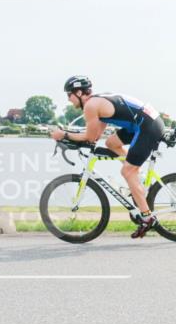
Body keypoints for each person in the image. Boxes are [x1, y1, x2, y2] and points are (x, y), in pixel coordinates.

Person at [51, 76, 166, 239]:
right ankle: (136, 177)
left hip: (147, 126)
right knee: (111, 143)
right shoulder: (97, 102)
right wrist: (71, 136)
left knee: (127, 172)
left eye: (68, 95)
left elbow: (90, 138)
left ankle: (147, 218)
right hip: (143, 122)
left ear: (78, 92)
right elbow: (96, 135)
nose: (68, 99)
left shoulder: (90, 106)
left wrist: (63, 134)